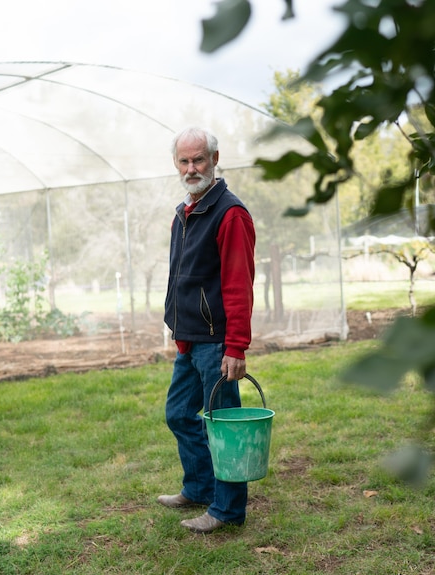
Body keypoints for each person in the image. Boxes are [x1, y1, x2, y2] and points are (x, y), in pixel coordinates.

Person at [157, 126, 256, 534]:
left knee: (224, 427)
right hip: (191, 340)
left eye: (199, 159)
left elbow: (238, 284)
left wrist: (236, 346)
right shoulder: (186, 211)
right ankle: (198, 488)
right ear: (176, 164)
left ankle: (228, 509)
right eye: (184, 160)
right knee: (179, 414)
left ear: (215, 159)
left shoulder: (229, 214)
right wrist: (180, 334)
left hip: (217, 344)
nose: (191, 167)